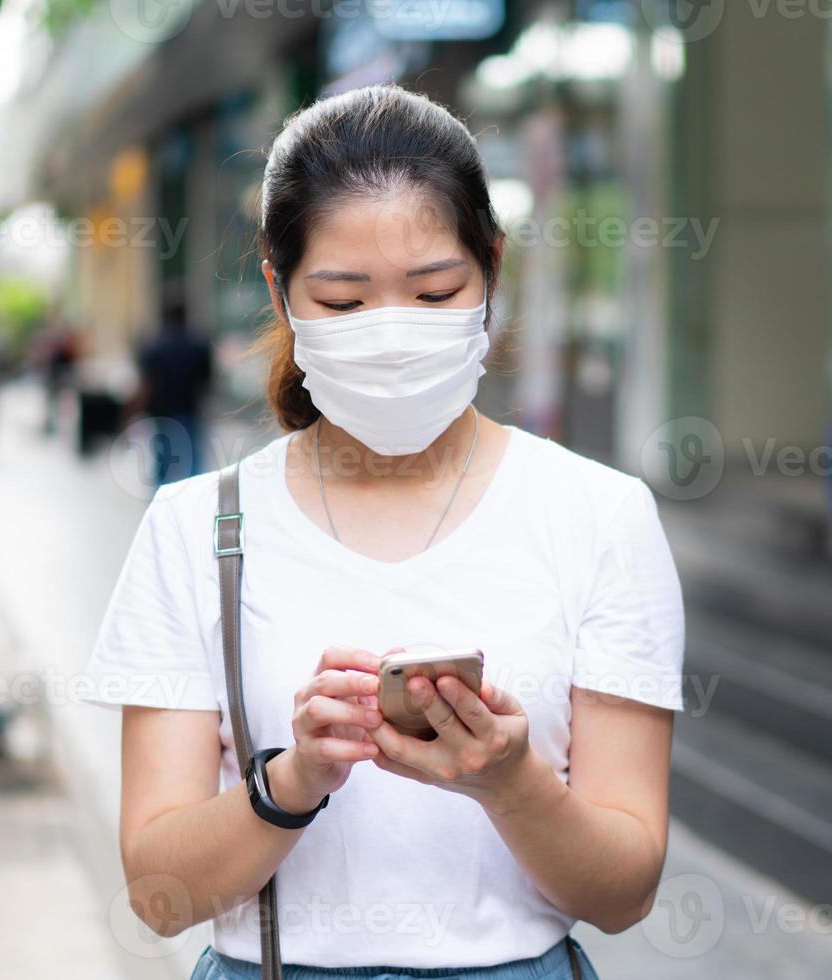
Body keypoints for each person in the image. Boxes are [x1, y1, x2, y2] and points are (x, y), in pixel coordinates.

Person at [82, 84, 685, 980]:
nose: (393, 336)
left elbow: (624, 894)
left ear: (492, 269)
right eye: (344, 301)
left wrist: (508, 782)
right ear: (278, 290)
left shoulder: (598, 517)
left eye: (436, 292)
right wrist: (292, 784)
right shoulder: (196, 530)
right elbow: (159, 893)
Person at [136, 300, 214, 484]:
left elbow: (147, 383)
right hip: (189, 409)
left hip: (162, 411)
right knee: (193, 458)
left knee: (162, 458)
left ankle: (160, 497)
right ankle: (196, 495)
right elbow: (207, 380)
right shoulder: (198, 344)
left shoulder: (154, 345)